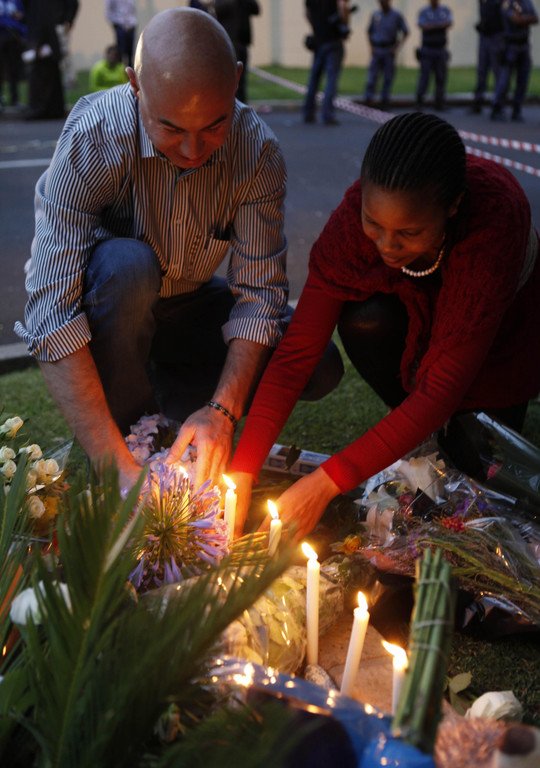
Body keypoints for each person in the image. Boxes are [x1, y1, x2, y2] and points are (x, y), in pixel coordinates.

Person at [16, 8, 342, 493]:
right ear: (135, 86)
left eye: (213, 125)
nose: (193, 151)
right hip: (112, 311)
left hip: (187, 306)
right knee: (128, 268)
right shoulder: (94, 137)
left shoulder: (257, 151)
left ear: (236, 81)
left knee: (315, 362)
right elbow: (51, 309)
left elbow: (259, 297)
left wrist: (222, 410)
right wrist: (113, 463)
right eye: (170, 128)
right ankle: (132, 433)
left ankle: (178, 406)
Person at [230, 112, 540, 541]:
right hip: (417, 314)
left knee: (478, 467)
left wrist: (325, 483)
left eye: (408, 233)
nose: (387, 246)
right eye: (373, 224)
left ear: (452, 208)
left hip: (503, 340)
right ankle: (415, 426)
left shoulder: (492, 224)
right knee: (366, 321)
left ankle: (439, 430)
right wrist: (243, 470)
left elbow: (441, 388)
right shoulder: (352, 223)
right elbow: (296, 354)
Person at [303, 0, 352, 126]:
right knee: (331, 79)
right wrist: (345, 23)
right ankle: (327, 114)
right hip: (333, 40)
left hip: (319, 40)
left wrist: (317, 28)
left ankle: (308, 112)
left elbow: (307, 14)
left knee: (314, 79)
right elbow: (342, 6)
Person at [491, 0, 538, 122]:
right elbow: (516, 20)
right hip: (510, 46)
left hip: (524, 45)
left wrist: (523, 18)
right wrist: (526, 18)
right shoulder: (507, 3)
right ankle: (497, 107)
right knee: (504, 79)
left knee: (523, 78)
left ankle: (517, 109)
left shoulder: (527, 2)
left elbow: (535, 18)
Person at [23, 0, 67, 120]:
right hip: (47, 40)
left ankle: (42, 109)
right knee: (48, 76)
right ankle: (52, 109)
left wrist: (38, 43)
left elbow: (41, 18)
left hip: (45, 41)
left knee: (43, 77)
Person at [364, 0, 409, 109]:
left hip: (389, 49)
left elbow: (406, 32)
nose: (382, 3)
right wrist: (371, 46)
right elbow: (369, 31)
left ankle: (384, 101)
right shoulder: (375, 15)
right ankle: (369, 99)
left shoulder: (396, 16)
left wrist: (396, 47)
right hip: (377, 49)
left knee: (388, 77)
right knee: (372, 76)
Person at [214, 0, 260, 104]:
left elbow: (256, 10)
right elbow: (218, 10)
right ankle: (230, 106)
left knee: (242, 79)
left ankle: (242, 106)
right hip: (229, 43)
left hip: (243, 43)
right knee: (231, 79)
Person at [415, 0, 453, 111]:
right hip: (427, 48)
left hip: (440, 48)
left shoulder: (445, 10)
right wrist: (439, 26)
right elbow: (423, 26)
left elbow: (449, 23)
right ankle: (420, 102)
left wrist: (432, 26)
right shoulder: (424, 11)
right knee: (424, 76)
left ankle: (439, 103)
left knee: (441, 77)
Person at [471, 0, 504, 113]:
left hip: (496, 36)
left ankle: (497, 104)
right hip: (485, 36)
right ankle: (478, 101)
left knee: (497, 72)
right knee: (481, 71)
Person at [0, 0, 26, 110]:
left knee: (13, 69)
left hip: (13, 37)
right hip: (1, 35)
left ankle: (15, 99)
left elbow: (22, 15)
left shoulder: (16, 1)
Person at [105, 0, 136, 67]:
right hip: (119, 24)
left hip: (131, 25)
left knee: (130, 52)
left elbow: (132, 9)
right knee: (121, 51)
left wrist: (131, 24)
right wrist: (117, 25)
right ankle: (120, 70)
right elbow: (109, 12)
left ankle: (130, 70)